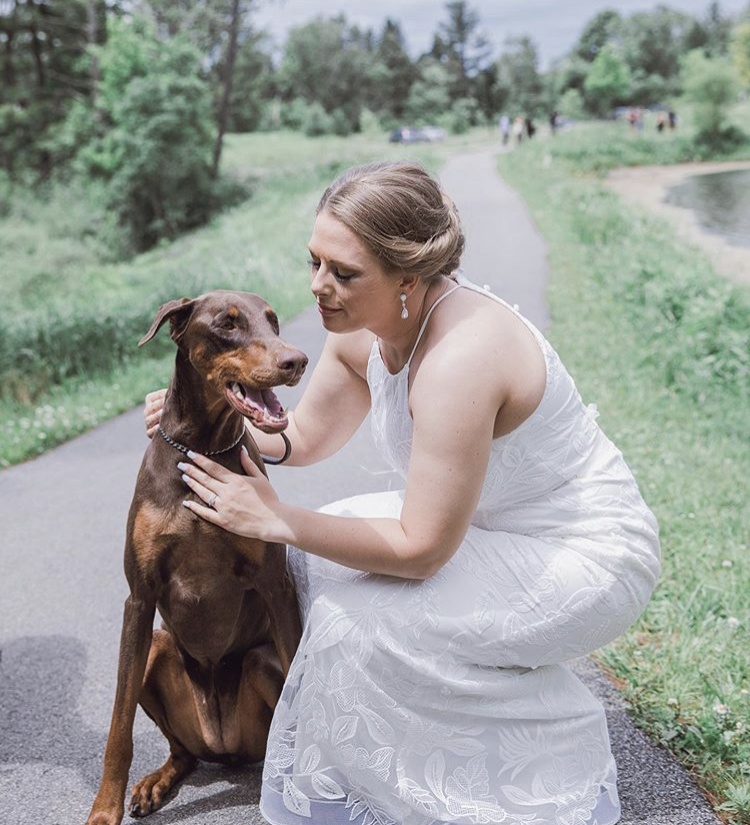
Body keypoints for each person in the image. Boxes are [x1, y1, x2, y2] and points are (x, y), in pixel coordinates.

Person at [144, 161, 660, 825]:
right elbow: (296, 437)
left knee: (354, 621)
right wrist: (211, 406)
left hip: (582, 556)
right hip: (488, 530)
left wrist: (276, 516)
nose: (318, 287)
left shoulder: (463, 355)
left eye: (344, 273)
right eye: (314, 261)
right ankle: (420, 733)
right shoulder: (364, 331)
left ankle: (509, 763)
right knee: (313, 564)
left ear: (409, 277)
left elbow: (420, 550)